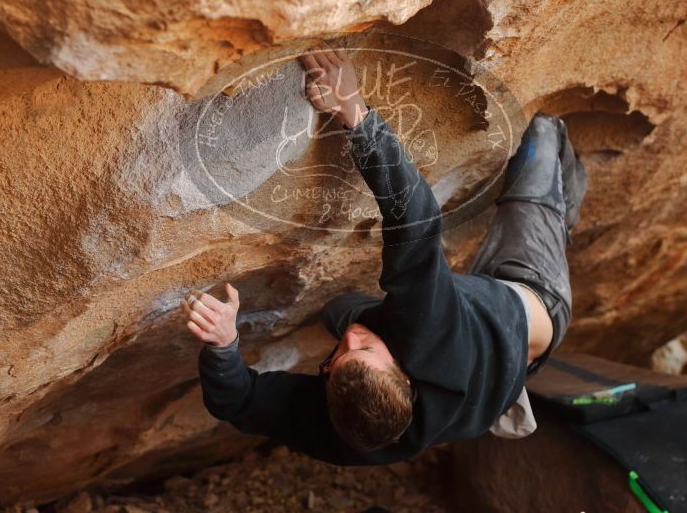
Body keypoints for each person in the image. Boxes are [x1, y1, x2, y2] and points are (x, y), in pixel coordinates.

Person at [182, 45, 587, 464]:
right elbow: (415, 221)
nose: (352, 340)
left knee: (341, 311)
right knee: (537, 140)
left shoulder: (344, 430)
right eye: (366, 350)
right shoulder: (427, 330)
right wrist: (355, 113)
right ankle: (561, 210)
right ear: (407, 377)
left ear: (326, 387)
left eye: (337, 358)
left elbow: (236, 401)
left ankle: (481, 351)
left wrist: (224, 344)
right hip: (530, 301)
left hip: (479, 361)